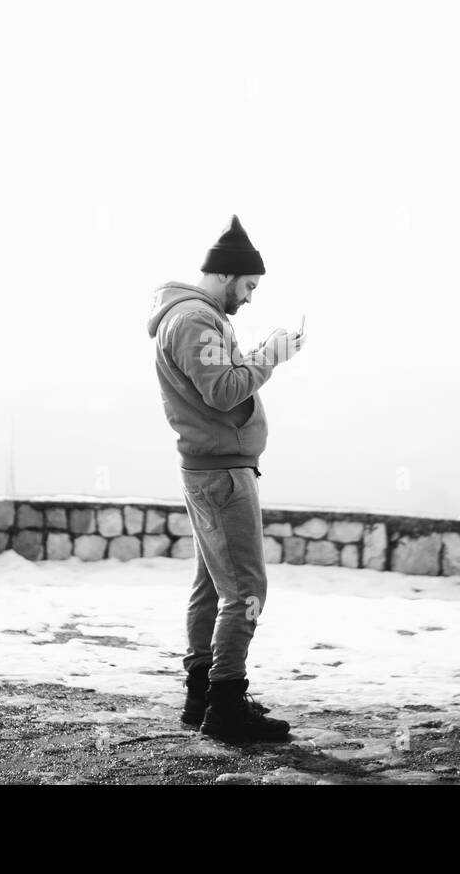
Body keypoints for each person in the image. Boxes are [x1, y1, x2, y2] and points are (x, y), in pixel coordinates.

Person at [144, 214, 305, 743]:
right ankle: (226, 705)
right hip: (222, 476)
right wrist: (272, 356)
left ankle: (202, 695)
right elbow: (223, 391)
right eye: (251, 286)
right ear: (228, 275)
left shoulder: (195, 317)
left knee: (214, 586)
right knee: (247, 589)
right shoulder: (194, 320)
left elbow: (219, 385)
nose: (252, 297)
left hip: (214, 469)